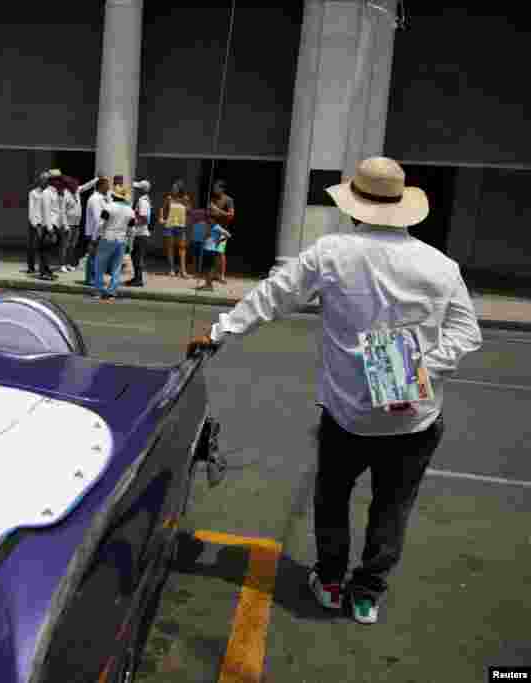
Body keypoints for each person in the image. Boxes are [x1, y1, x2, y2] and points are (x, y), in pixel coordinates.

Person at [186, 156, 482, 625]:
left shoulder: (331, 253)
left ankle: (328, 580)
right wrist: (417, 369)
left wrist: (219, 332)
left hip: (348, 415)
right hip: (415, 416)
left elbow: (272, 296)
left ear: (355, 207)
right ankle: (366, 595)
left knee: (332, 498)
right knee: (393, 507)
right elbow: (468, 333)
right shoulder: (440, 266)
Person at [93, 183, 136, 301]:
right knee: (116, 267)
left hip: (107, 237)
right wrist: (130, 245)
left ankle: (98, 290)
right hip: (121, 240)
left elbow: (100, 224)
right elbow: (132, 230)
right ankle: (112, 291)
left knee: (100, 265)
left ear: (113, 196)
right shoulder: (130, 211)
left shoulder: (108, 207)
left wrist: (95, 238)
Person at [160, 180, 194, 278]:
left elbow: (190, 210)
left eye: (175, 188)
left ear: (179, 189)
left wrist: (185, 204)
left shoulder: (185, 198)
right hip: (170, 224)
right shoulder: (169, 198)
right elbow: (162, 208)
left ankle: (183, 271)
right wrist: (161, 218)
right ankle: (171, 269)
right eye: (172, 188)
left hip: (180, 225)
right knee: (170, 247)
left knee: (182, 248)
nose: (173, 190)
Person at [65, 175, 99, 270]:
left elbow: (86, 186)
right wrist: (65, 225)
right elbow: (62, 211)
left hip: (76, 224)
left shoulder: (77, 190)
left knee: (73, 245)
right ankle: (63, 264)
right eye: (74, 185)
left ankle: (70, 264)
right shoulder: (66, 194)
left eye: (76, 185)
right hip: (68, 224)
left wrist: (97, 179)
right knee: (66, 246)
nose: (76, 186)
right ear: (69, 185)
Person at [82, 176, 111, 287]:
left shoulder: (101, 198)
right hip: (95, 232)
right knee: (93, 257)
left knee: (96, 257)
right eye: (107, 185)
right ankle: (90, 279)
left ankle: (93, 278)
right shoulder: (95, 199)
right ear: (101, 186)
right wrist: (96, 236)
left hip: (99, 232)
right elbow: (97, 219)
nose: (108, 188)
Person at [38, 169, 64, 280]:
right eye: (56, 180)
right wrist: (50, 229)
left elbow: (58, 210)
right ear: (51, 181)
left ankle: (47, 271)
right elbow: (46, 211)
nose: (59, 182)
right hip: (49, 227)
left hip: (55, 226)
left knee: (49, 251)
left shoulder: (55, 192)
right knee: (45, 251)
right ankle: (44, 273)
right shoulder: (46, 193)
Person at [126, 179, 152, 287]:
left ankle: (138, 279)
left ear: (141, 190)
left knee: (137, 257)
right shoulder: (143, 200)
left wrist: (133, 222)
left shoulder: (143, 202)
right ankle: (137, 278)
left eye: (137, 189)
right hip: (139, 233)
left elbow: (145, 219)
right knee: (135, 256)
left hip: (140, 234)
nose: (134, 190)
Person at [209, 179, 235, 282]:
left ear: (222, 189)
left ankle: (222, 275)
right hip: (214, 228)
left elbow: (231, 215)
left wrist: (217, 210)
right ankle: (215, 273)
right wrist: (212, 211)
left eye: (216, 187)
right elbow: (210, 213)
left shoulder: (228, 200)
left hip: (223, 230)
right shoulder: (213, 199)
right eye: (214, 187)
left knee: (221, 252)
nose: (214, 189)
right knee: (215, 252)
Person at [196, 218, 231, 291]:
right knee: (206, 268)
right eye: (208, 219)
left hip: (212, 250)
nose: (209, 220)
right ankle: (207, 284)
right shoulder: (209, 226)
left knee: (209, 268)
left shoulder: (217, 227)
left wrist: (219, 241)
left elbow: (228, 235)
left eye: (211, 219)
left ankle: (209, 285)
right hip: (206, 249)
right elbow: (207, 236)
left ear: (214, 220)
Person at [26, 172, 49, 275]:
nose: (45, 181)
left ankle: (43, 268)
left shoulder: (49, 193)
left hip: (46, 223)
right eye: (43, 179)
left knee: (43, 247)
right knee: (32, 246)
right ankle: (31, 267)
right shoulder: (33, 193)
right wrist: (35, 224)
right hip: (36, 223)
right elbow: (32, 210)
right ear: (40, 180)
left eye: (47, 179)